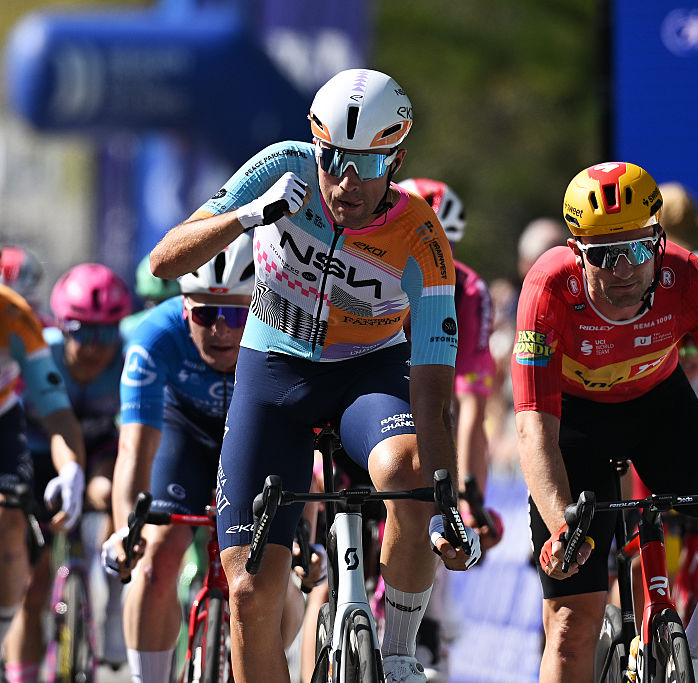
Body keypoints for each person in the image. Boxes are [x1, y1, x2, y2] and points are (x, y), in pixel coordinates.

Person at [146, 68, 480, 683]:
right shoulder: (281, 166)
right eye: (333, 159)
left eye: (369, 166)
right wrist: (249, 216)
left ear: (397, 160)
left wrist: (444, 504)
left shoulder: (423, 239)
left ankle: (401, 650)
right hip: (272, 369)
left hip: (368, 373)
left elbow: (433, 391)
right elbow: (165, 261)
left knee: (405, 471)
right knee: (249, 592)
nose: (346, 182)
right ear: (315, 145)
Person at [512, 161, 698, 683]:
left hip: (661, 413)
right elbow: (533, 426)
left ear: (660, 240)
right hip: (574, 427)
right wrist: (558, 528)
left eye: (638, 250)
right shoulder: (549, 288)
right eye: (603, 256)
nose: (622, 270)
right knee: (571, 626)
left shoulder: (692, 278)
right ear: (576, 253)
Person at [101, 236, 314, 683]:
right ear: (184, 311)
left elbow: (302, 448)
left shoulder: (286, 332)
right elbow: (135, 449)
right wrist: (127, 530)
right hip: (185, 431)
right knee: (156, 555)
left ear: (260, 307)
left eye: (238, 313)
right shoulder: (153, 338)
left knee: (275, 571)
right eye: (205, 314)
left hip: (256, 433)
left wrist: (304, 535)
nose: (221, 329)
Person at [3, 264, 132, 682]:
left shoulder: (131, 353)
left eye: (106, 333)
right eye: (82, 331)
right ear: (61, 326)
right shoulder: (42, 347)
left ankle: (113, 596)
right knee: (33, 587)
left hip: (95, 451)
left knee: (113, 486)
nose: (94, 347)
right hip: (37, 453)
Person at [0, 283, 85, 659]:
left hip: (2, 419)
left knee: (11, 518)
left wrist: (71, 470)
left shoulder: (13, 316)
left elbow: (57, 413)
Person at [119, 251, 182, 339]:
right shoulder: (127, 330)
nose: (164, 312)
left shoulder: (128, 330)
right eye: (154, 303)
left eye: (171, 303)